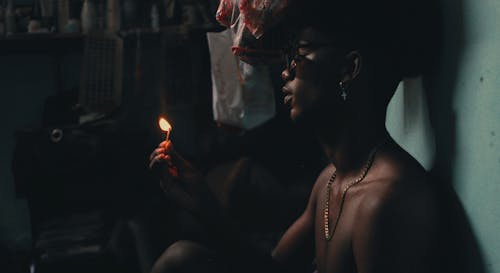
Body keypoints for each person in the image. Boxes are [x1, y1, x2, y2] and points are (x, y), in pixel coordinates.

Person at [148, 0, 443, 272]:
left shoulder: (385, 200)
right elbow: (272, 268)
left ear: (349, 69)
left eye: (300, 55)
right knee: (181, 258)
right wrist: (204, 206)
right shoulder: (330, 180)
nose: (286, 72)